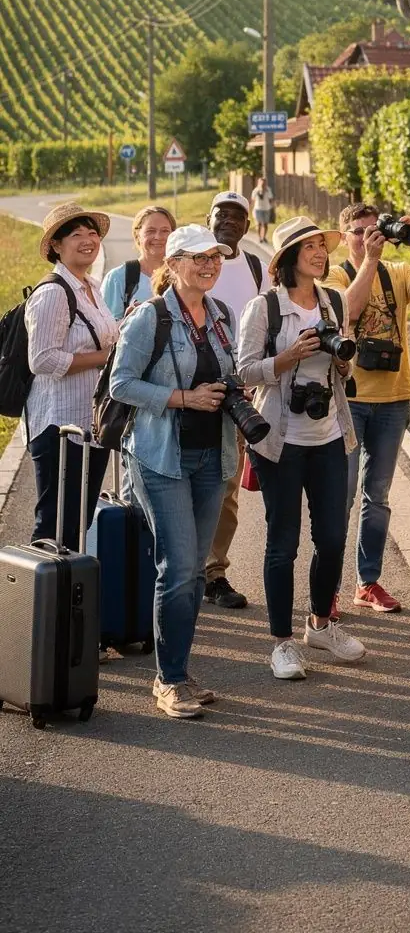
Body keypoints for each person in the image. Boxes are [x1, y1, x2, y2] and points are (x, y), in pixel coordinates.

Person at [109, 224, 239, 720]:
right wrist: (183, 398)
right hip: (160, 457)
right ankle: (169, 680)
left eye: (215, 258)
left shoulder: (221, 315)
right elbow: (122, 384)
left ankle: (179, 669)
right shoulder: (151, 317)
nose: (209, 266)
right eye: (198, 258)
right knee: (179, 568)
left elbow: (228, 373)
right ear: (175, 263)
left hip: (212, 457)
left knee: (193, 573)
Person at [237, 216, 365, 679]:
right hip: (280, 440)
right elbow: (244, 371)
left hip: (329, 434)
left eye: (320, 245)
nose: (319, 252)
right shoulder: (264, 308)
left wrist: (340, 360)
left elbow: (345, 372)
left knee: (332, 539)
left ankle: (320, 624)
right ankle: (282, 642)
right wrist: (289, 357)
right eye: (308, 246)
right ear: (288, 257)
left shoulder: (332, 300)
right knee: (283, 543)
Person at [323, 203, 410, 616]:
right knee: (339, 497)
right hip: (350, 400)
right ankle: (328, 587)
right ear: (345, 237)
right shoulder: (335, 274)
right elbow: (348, 311)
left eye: (372, 229)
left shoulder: (398, 271)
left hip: (394, 398)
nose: (366, 238)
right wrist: (370, 261)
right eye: (357, 232)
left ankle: (368, 581)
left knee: (377, 496)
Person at [25, 202, 119, 551]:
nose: (87, 240)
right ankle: (43, 601)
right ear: (56, 246)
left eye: (92, 233)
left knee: (79, 521)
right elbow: (42, 359)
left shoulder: (91, 286)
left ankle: (72, 601)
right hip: (58, 428)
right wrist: (104, 358)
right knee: (53, 524)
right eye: (76, 234)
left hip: (89, 424)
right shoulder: (53, 293)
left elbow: (104, 335)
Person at [203, 190, 270, 609]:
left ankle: (214, 572)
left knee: (226, 487)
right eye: (221, 214)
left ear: (248, 226)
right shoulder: (196, 258)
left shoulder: (257, 268)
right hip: (185, 394)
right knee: (178, 483)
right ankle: (171, 569)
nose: (229, 221)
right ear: (208, 218)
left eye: (237, 216)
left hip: (236, 396)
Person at [101, 204, 177, 320]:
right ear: (137, 235)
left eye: (165, 231)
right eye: (150, 231)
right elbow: (106, 332)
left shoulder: (184, 275)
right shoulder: (118, 278)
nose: (158, 236)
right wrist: (131, 321)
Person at [251, 178, 273, 243]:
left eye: (264, 183)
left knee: (265, 224)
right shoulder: (256, 190)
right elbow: (253, 199)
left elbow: (271, 198)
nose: (263, 184)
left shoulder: (268, 190)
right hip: (258, 209)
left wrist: (271, 207)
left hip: (266, 209)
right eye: (262, 183)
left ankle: (264, 237)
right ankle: (260, 237)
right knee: (259, 224)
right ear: (259, 183)